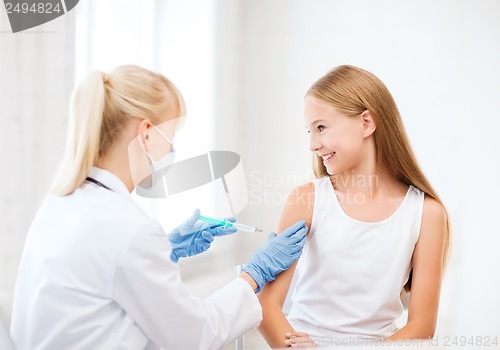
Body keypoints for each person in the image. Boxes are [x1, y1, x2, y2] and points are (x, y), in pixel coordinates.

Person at [9, 65, 308, 350]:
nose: (172, 149)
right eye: (172, 136)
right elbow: (195, 335)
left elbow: (102, 280)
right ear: (147, 133)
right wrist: (254, 274)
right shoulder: (130, 229)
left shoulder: (58, 204)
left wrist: (165, 250)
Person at [257, 65, 450, 348]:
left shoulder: (427, 214)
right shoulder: (306, 201)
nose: (312, 144)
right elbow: (266, 306)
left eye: (321, 127)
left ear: (366, 123)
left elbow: (422, 326)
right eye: (309, 131)